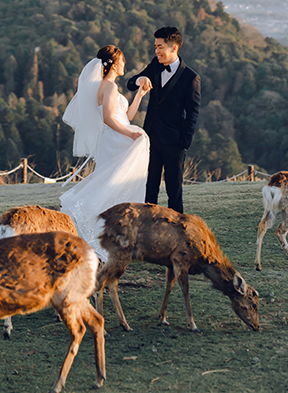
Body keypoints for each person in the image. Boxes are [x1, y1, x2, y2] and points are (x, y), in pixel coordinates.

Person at [59, 45, 150, 258]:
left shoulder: (110, 87)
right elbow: (109, 118)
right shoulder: (108, 87)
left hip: (116, 136)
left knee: (116, 183)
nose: (124, 65)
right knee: (112, 183)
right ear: (114, 64)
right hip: (114, 139)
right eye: (122, 61)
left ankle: (115, 233)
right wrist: (130, 135)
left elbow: (126, 116)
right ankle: (101, 229)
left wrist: (139, 95)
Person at [126, 26, 201, 213]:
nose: (156, 51)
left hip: (174, 142)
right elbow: (130, 82)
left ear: (173, 48)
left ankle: (177, 229)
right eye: (155, 46)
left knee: (174, 190)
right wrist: (140, 79)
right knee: (149, 187)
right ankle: (147, 226)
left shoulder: (191, 78)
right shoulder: (155, 65)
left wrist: (183, 142)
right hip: (150, 138)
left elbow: (193, 112)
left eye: (160, 46)